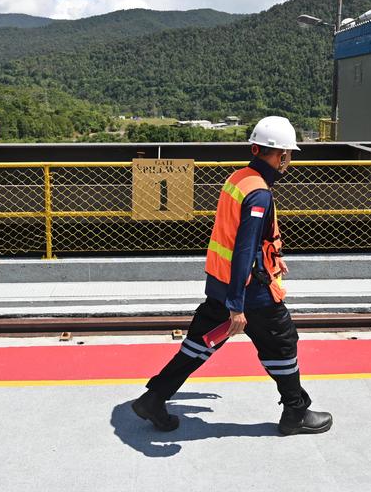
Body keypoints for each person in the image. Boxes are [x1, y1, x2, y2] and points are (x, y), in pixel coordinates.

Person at [132, 116, 333, 436]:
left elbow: (236, 239)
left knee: (198, 343)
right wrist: (238, 306)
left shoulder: (238, 179)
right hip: (251, 292)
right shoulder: (259, 194)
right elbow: (243, 248)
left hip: (221, 284)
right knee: (282, 343)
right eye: (289, 155)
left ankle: (154, 397)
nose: (289, 161)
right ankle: (295, 412)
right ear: (280, 155)